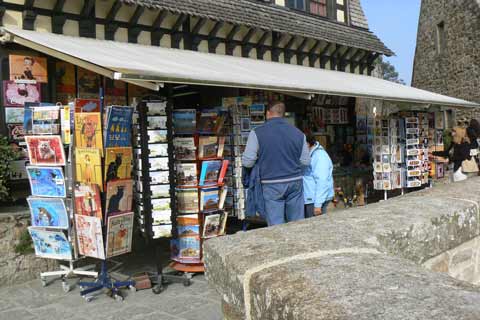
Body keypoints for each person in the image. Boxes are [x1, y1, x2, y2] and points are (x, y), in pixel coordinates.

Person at [242, 101, 310, 226]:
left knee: (276, 225)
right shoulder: (299, 133)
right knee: (297, 223)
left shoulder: (257, 132)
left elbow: (247, 162)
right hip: (295, 181)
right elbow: (305, 162)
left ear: (268, 113)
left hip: (271, 183)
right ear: (283, 114)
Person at [303, 135, 334, 218]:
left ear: (307, 144)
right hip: (311, 198)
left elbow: (322, 181)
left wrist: (318, 205)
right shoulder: (311, 154)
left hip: (315, 200)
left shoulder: (319, 156)